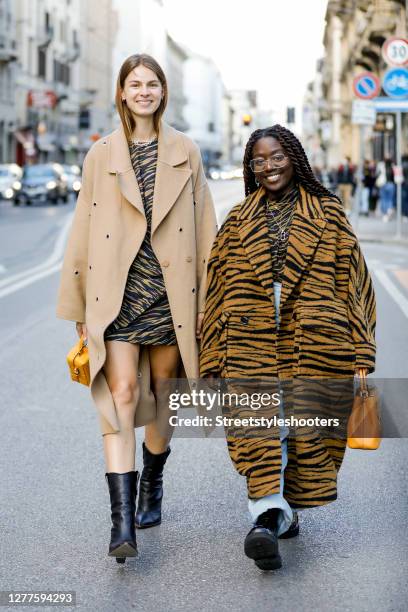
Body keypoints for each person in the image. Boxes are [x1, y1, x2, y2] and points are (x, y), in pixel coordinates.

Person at [57, 54, 217, 563]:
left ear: (162, 93)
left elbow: (206, 224)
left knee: (163, 397)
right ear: (122, 93)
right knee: (121, 392)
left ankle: (154, 476)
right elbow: (82, 229)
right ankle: (121, 524)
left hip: (172, 296)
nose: (144, 91)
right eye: (135, 84)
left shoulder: (186, 151)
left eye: (152, 84)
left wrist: (206, 297)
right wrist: (79, 302)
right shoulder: (100, 153)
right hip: (117, 295)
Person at [200, 125, 376, 571]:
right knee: (259, 430)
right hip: (249, 340)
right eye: (258, 160)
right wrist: (212, 357)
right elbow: (217, 290)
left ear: (293, 156)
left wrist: (361, 351)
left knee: (302, 433)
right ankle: (266, 518)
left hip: (317, 339)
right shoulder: (237, 220)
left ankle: (281, 512)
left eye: (275, 156)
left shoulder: (328, 213)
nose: (268, 166)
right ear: (250, 167)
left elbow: (354, 282)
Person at [377, 157, 396, 222]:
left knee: (384, 199)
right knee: (389, 199)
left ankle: (385, 214)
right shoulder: (393, 168)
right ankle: (389, 209)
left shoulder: (382, 167)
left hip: (383, 184)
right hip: (391, 185)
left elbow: (377, 175)